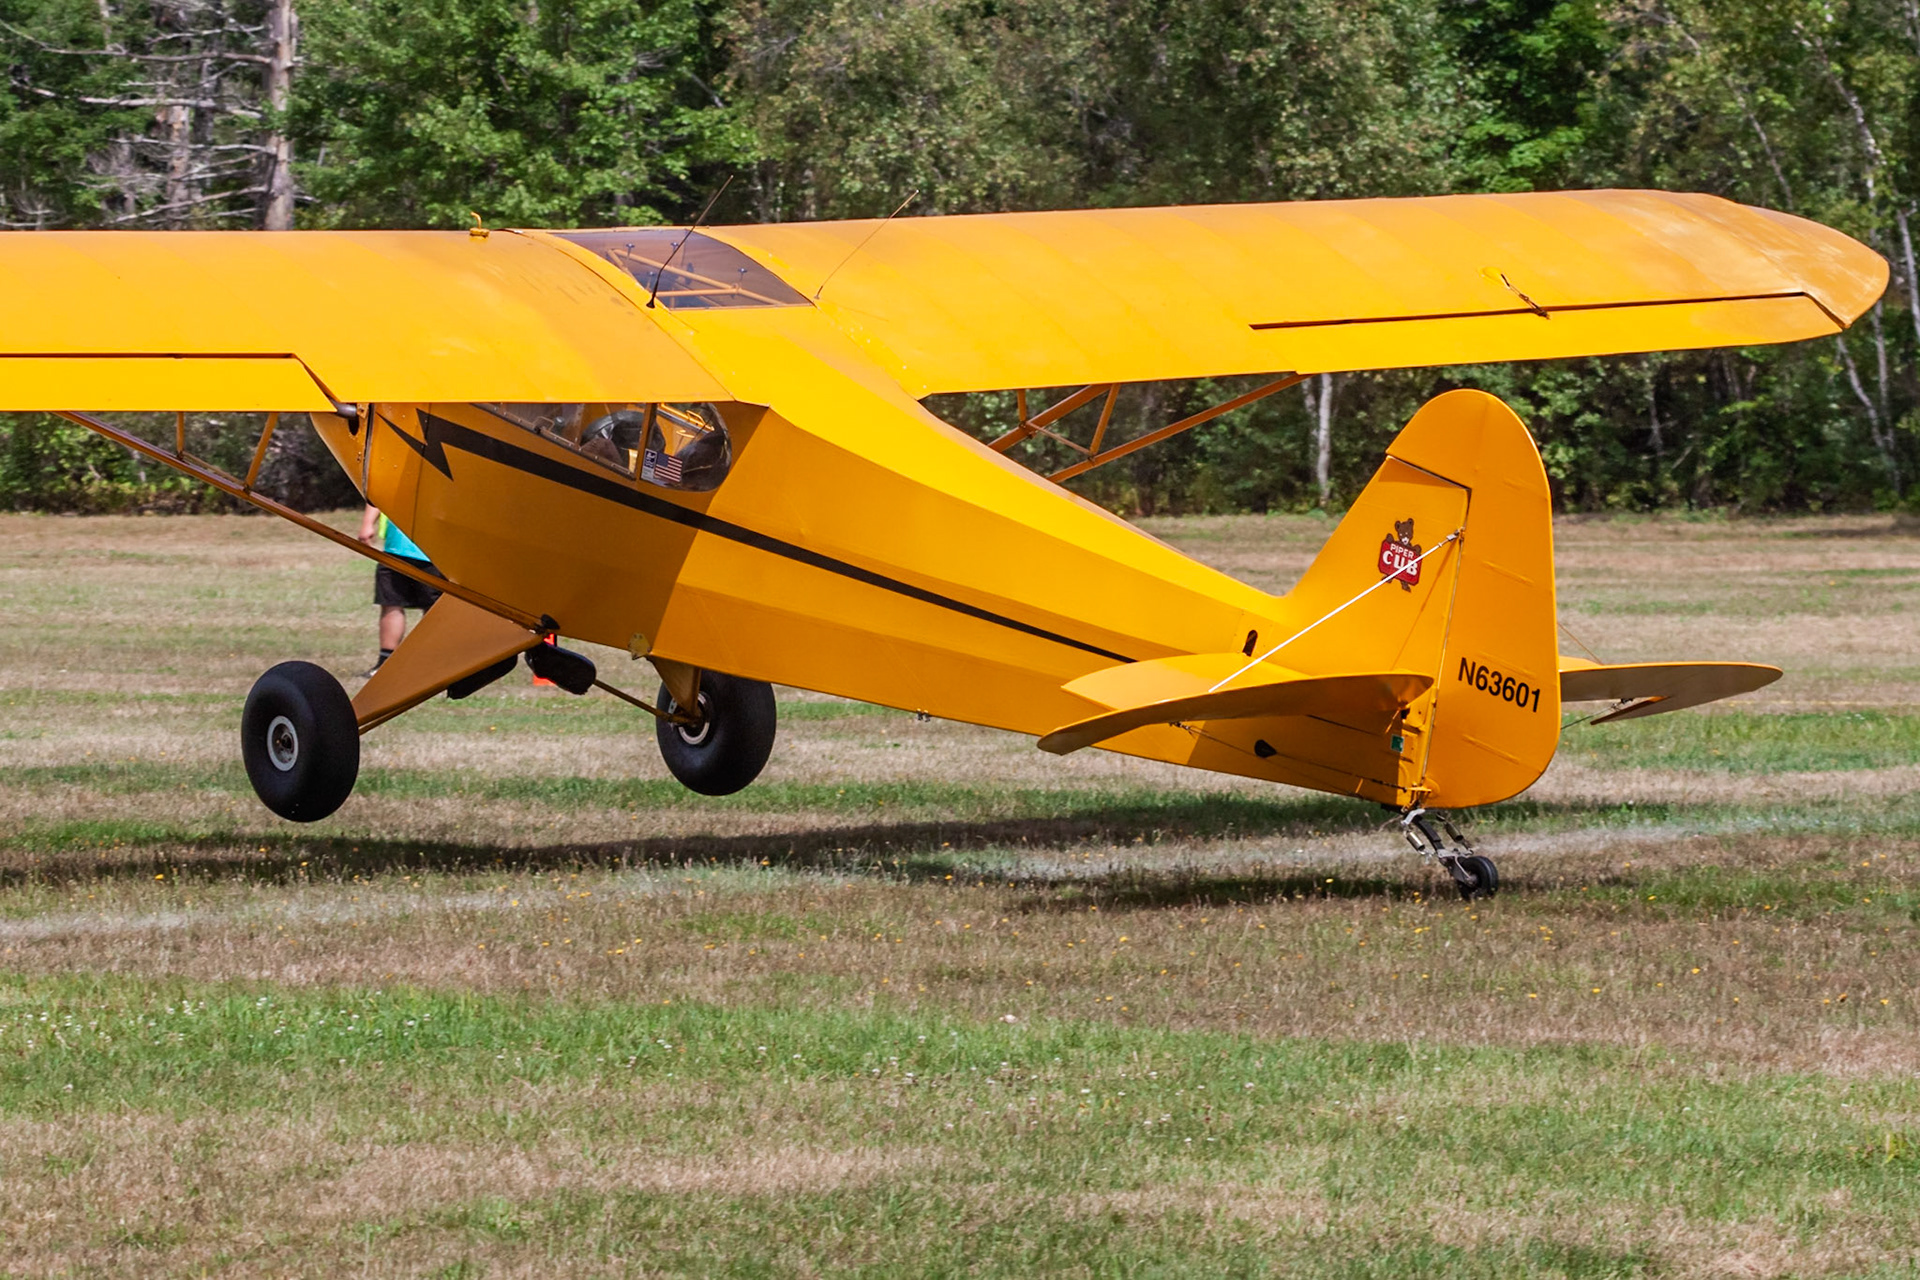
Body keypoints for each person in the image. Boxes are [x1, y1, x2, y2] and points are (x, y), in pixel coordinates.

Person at [357, 504, 441, 676]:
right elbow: (377, 495)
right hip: (394, 549)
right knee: (390, 603)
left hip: (435, 551)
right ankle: (385, 663)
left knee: (434, 608)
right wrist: (367, 523)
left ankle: (432, 661)